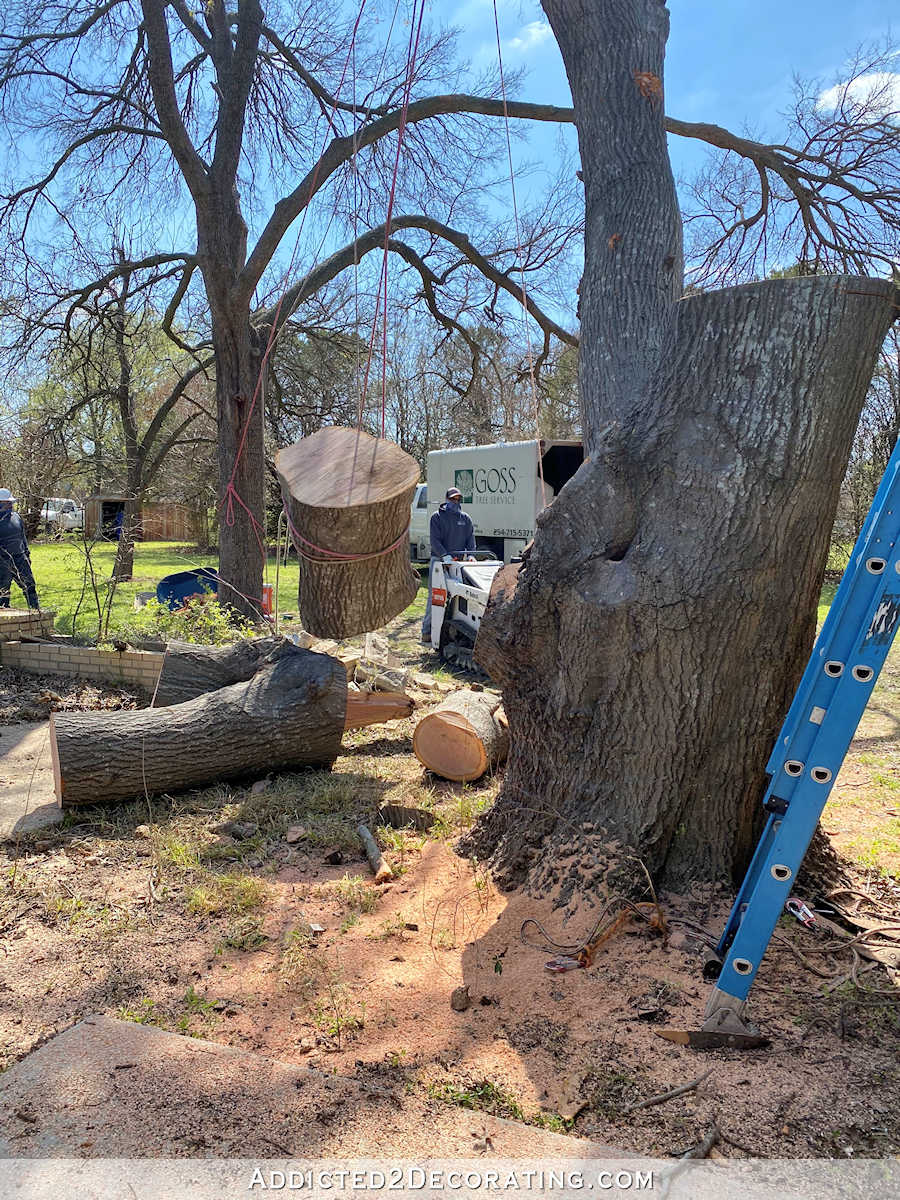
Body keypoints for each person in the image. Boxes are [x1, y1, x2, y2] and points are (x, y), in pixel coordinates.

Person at [421, 486, 476, 644]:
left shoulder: (465, 519)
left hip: (458, 564)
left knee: (457, 599)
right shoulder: (437, 517)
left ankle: (449, 632)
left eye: (458, 499)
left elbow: (471, 540)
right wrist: (445, 555)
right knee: (436, 597)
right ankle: (427, 632)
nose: (455, 502)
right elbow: (435, 541)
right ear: (446, 499)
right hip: (439, 562)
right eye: (452, 499)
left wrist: (471, 555)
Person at [0, 488, 40, 610]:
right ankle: (4, 616)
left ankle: (35, 611)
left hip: (20, 558)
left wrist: (27, 555)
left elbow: (22, 537)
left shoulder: (16, 517)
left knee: (29, 585)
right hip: (2, 560)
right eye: (7, 503)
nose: (10, 505)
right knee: (3, 590)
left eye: (10, 502)